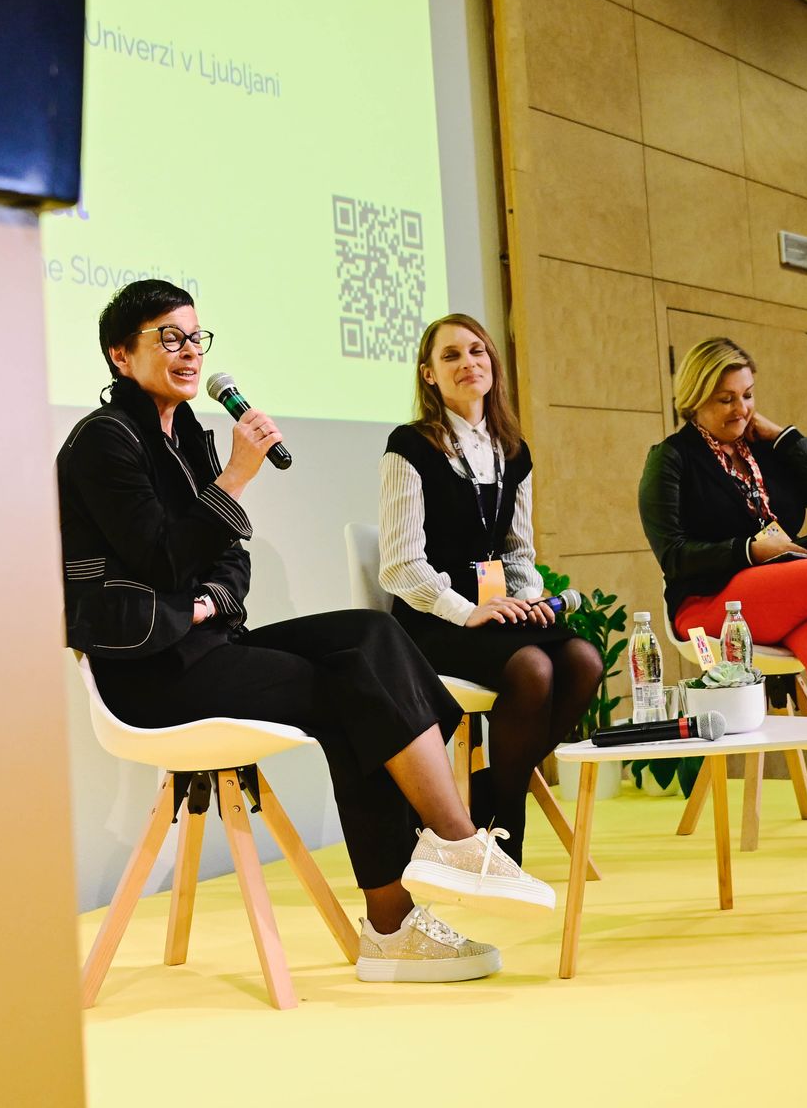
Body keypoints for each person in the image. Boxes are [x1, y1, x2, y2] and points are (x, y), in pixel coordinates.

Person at [58, 280, 552, 985]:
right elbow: (160, 556)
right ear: (119, 354)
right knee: (351, 691)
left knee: (371, 637)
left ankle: (441, 860)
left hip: (207, 643)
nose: (189, 351)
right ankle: (415, 894)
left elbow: (232, 559)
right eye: (169, 338)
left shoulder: (188, 436)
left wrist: (205, 599)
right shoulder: (102, 441)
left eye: (196, 337)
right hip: (146, 671)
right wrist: (235, 477)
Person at [638, 337, 807, 856]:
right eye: (725, 399)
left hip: (777, 601)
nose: (740, 409)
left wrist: (780, 435)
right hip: (708, 606)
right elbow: (674, 555)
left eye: (748, 395)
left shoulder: (761, 449)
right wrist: (748, 549)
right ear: (694, 399)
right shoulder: (670, 460)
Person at [378, 314, 603, 863]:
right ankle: (508, 832)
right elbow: (400, 565)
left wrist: (529, 601)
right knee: (534, 669)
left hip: (497, 610)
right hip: (434, 618)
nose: (468, 363)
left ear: (492, 365)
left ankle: (488, 798)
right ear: (429, 375)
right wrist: (464, 612)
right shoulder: (409, 445)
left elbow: (518, 552)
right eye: (450, 355)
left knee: (584, 660)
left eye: (477, 351)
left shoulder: (512, 450)